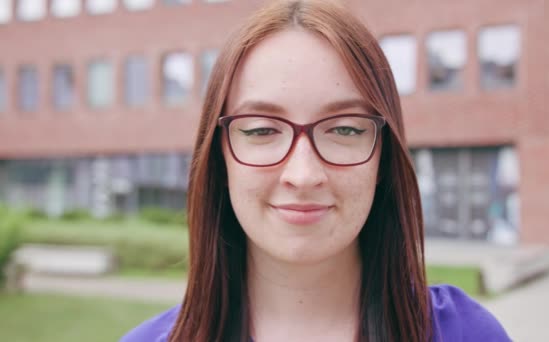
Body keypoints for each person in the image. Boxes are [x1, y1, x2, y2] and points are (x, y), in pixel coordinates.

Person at [121, 0, 511, 341]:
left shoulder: (466, 335)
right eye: (261, 129)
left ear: (383, 158)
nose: (303, 175)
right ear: (220, 158)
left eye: (344, 129)